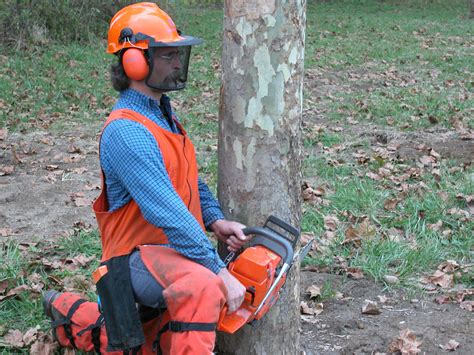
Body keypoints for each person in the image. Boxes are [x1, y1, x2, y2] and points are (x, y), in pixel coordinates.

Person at [43, 3, 248, 354]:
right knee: (203, 283)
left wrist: (215, 220)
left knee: (148, 342)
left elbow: (189, 180)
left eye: (177, 54)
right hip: (131, 259)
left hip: (169, 252)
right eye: (166, 54)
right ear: (133, 62)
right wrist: (217, 269)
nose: (176, 63)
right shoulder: (127, 131)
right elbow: (165, 210)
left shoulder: (163, 116)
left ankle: (72, 314)